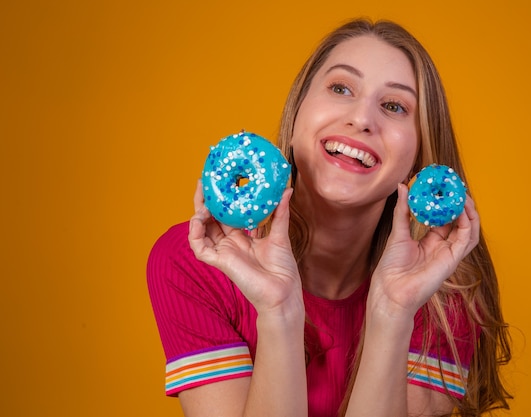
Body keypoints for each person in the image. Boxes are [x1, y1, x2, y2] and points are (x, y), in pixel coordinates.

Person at [147, 18, 512, 417]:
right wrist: (279, 312)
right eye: (341, 88)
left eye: (394, 106)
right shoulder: (201, 262)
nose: (361, 118)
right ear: (298, 111)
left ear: (419, 157)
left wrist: (392, 311)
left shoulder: (444, 293)